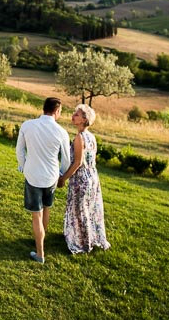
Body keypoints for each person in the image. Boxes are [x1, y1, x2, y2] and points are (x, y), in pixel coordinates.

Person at [16, 97, 71, 263]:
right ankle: (40, 242)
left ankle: (40, 253)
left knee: (36, 216)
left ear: (44, 108)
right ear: (57, 111)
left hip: (32, 175)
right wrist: (60, 174)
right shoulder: (61, 132)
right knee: (46, 210)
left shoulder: (27, 125)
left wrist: (23, 166)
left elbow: (19, 150)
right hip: (51, 177)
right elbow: (66, 160)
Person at [57, 104, 110, 254]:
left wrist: (63, 178)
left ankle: (83, 241)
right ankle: (90, 237)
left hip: (81, 178)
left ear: (84, 119)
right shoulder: (92, 137)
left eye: (77, 114)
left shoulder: (80, 138)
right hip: (93, 177)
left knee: (81, 209)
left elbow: (78, 162)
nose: (73, 116)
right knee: (90, 208)